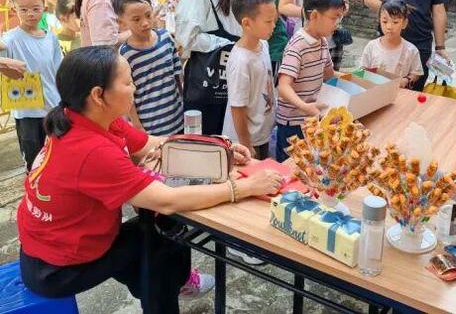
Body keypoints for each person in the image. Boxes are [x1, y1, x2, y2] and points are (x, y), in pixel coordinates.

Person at [17, 46, 284, 313]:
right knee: (161, 242)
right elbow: (168, 200)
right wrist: (244, 187)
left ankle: (173, 283)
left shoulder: (85, 116)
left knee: (159, 240)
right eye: (127, 82)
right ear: (98, 95)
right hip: (56, 267)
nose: (134, 88)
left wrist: (219, 149)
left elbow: (151, 144)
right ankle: (173, 286)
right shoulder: (92, 150)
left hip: (53, 243)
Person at [175, 0, 258, 135]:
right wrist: (223, 43)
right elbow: (187, 39)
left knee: (230, 140)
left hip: (231, 83)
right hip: (205, 85)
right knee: (206, 143)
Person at [276, 0, 342, 162]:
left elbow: (329, 74)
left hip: (311, 119)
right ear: (314, 16)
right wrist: (304, 106)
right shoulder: (297, 46)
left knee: (310, 165)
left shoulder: (322, 41)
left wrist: (358, 78)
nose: (337, 23)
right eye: (334, 18)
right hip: (293, 123)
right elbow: (283, 86)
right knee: (291, 166)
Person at [0, 0, 62, 170]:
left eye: (36, 8)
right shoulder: (10, 39)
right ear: (14, 9)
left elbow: (59, 71)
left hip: (53, 106)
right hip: (26, 112)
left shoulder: (51, 38)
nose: (30, 14)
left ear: (44, 7)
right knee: (34, 160)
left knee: (58, 155)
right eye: (24, 9)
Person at [113, 0, 184, 136]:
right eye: (136, 19)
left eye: (148, 15)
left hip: (177, 120)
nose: (145, 23)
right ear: (121, 22)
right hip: (149, 128)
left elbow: (178, 76)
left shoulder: (166, 38)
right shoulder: (125, 54)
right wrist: (137, 126)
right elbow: (128, 95)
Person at [223, 0, 276, 160]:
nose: (274, 25)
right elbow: (237, 107)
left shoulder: (264, 45)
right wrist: (246, 144)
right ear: (247, 23)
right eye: (268, 22)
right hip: (246, 141)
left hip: (262, 133)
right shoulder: (241, 61)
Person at [360, 0, 423, 89]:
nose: (389, 27)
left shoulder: (411, 50)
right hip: (374, 91)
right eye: (385, 22)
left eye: (395, 22)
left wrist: (407, 80)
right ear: (379, 21)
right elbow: (362, 70)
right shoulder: (372, 46)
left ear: (404, 23)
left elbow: (416, 72)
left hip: (399, 92)